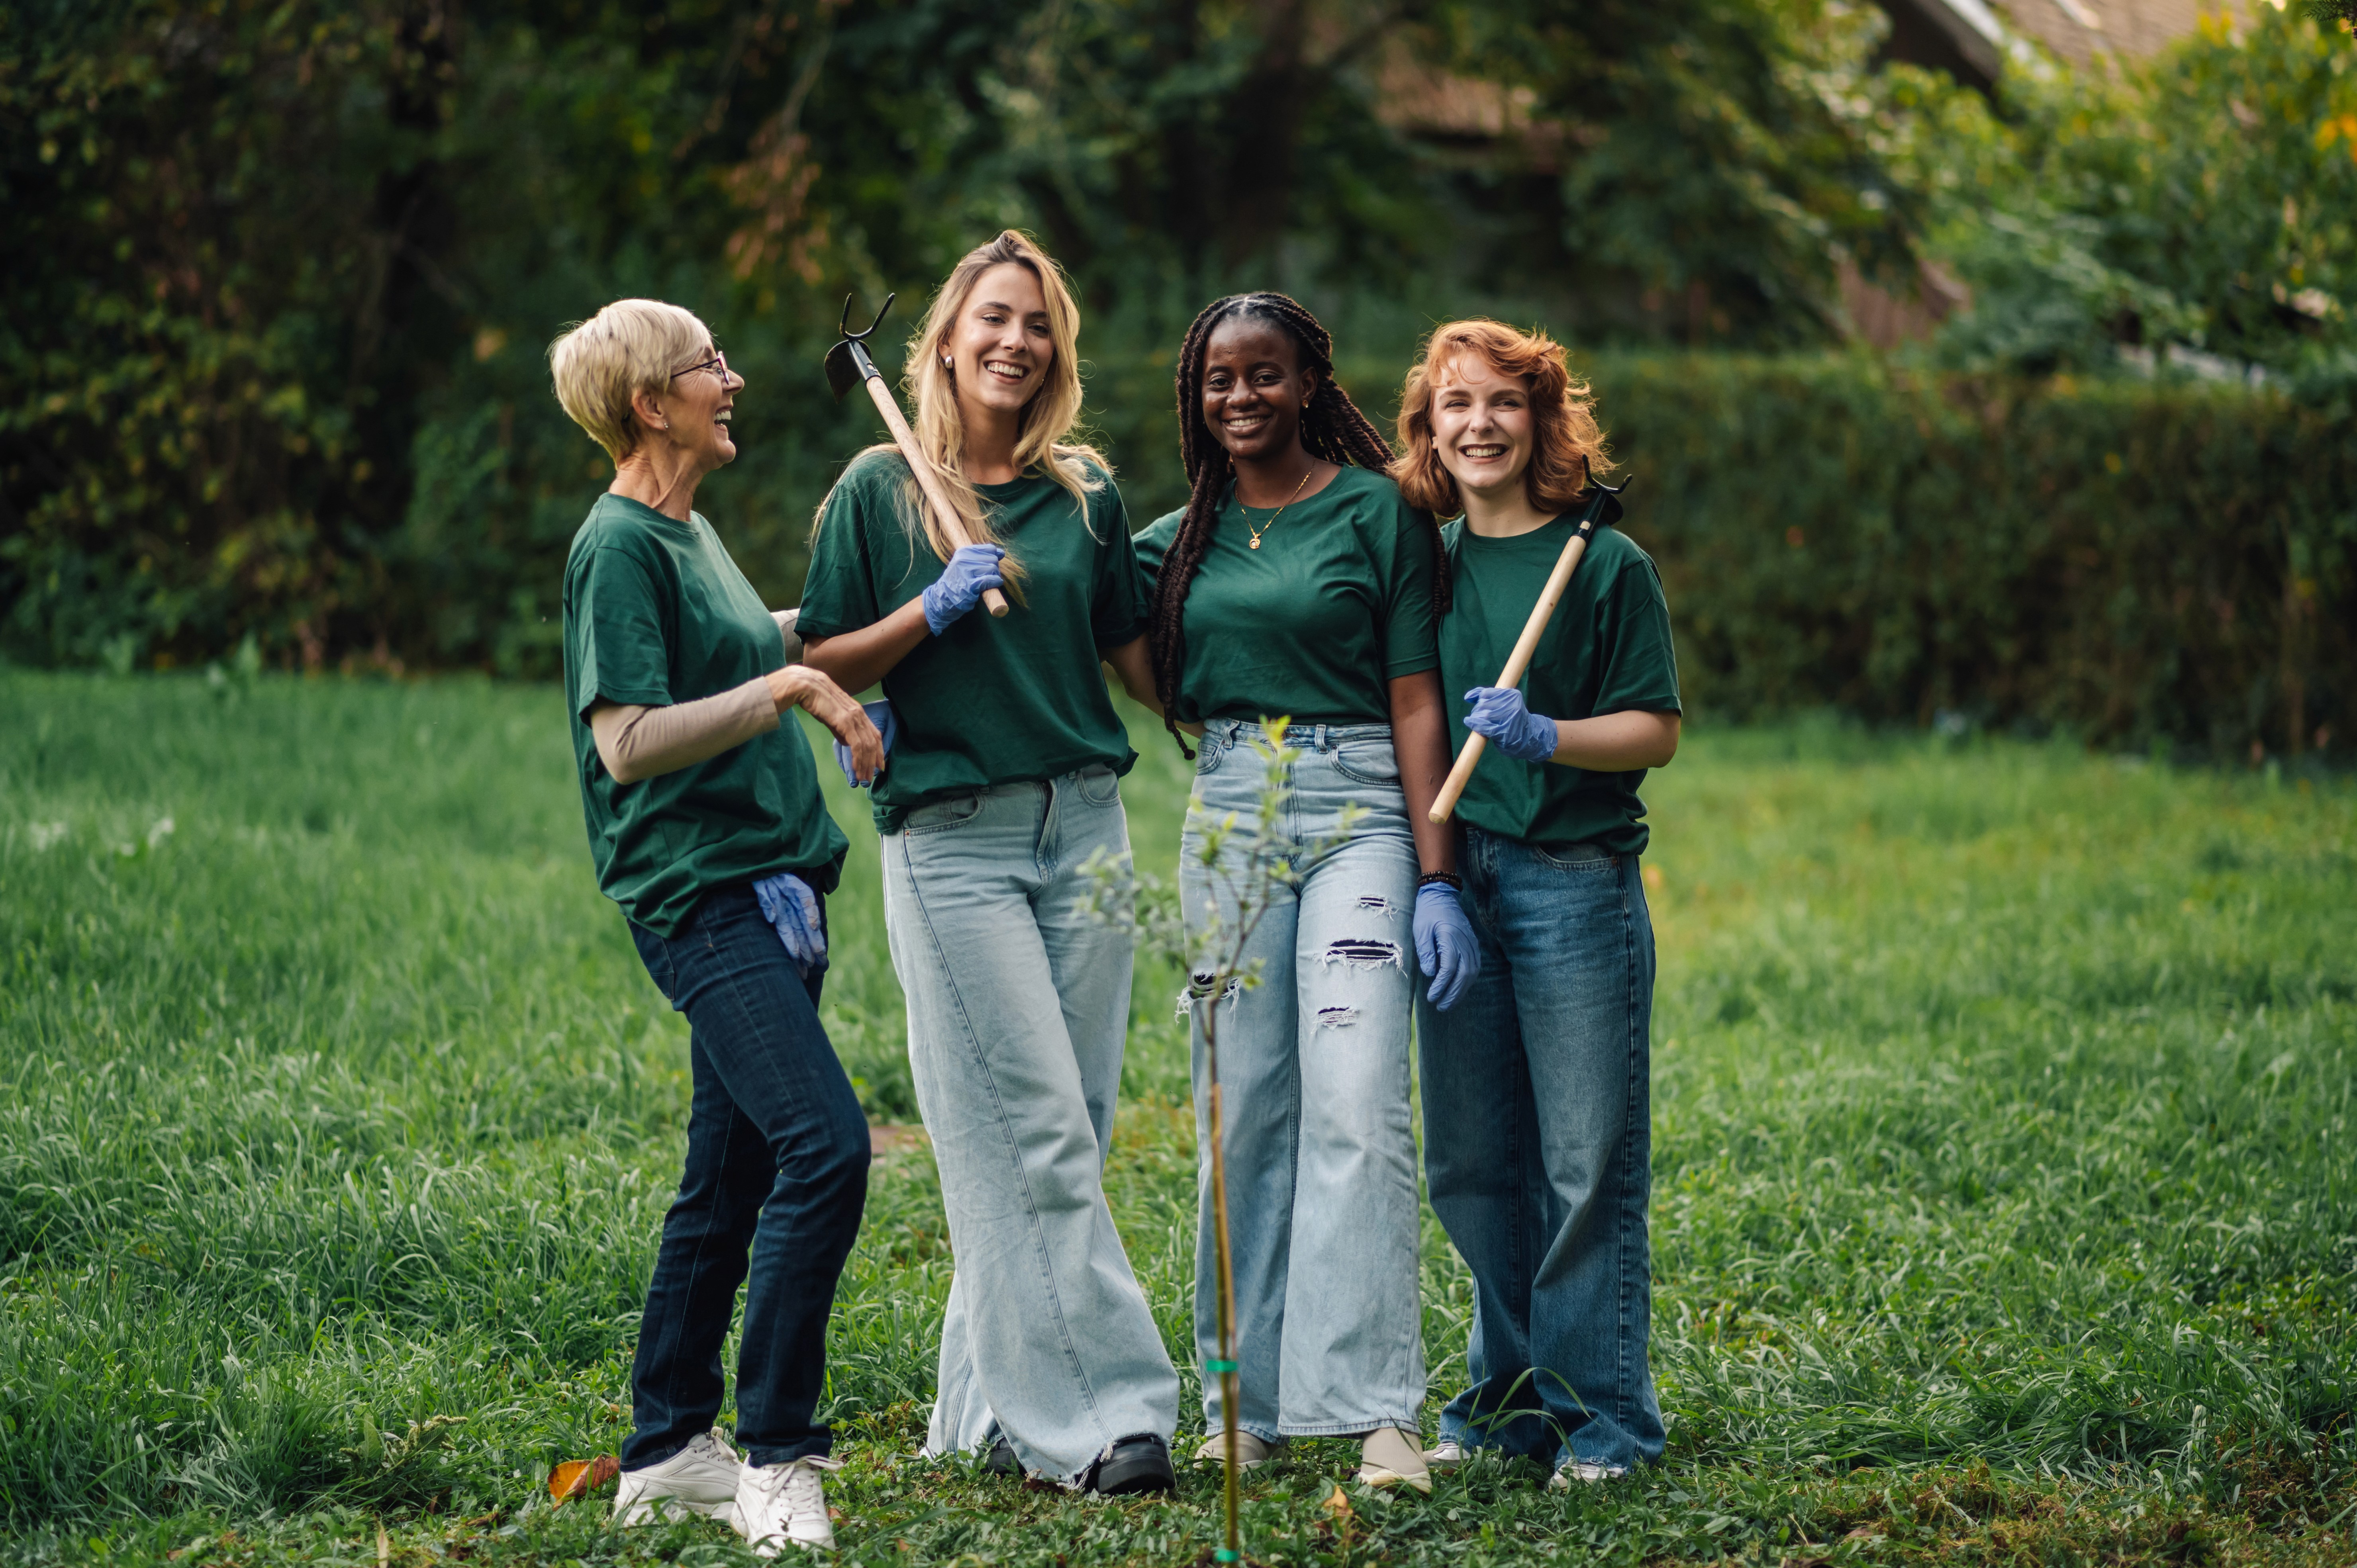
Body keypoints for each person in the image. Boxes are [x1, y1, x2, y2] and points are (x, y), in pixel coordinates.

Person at [794, 230, 1180, 1495]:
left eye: (1039, 326)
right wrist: (928, 613)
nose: (1017, 341)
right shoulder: (878, 490)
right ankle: (1111, 1420)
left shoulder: (1084, 497)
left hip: (1088, 824)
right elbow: (822, 666)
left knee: (1067, 1127)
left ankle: (982, 1414)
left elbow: (1136, 657)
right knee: (1031, 1137)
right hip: (955, 838)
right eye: (995, 319)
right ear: (946, 340)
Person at [551, 298, 884, 1556]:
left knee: (731, 1174)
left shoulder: (691, 533)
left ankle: (666, 1448)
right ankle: (779, 1454)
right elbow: (627, 743)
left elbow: (753, 645)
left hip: (772, 887)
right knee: (828, 1149)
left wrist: (873, 622)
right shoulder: (618, 546)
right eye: (709, 367)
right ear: (652, 402)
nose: (732, 379)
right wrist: (795, 685)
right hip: (701, 893)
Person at [1134, 292, 1480, 1496]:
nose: (1241, 397)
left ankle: (1376, 1408)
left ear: (1308, 380)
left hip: (1360, 814)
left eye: (1265, 374)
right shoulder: (1177, 538)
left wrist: (1436, 869)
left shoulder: (1378, 511)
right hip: (1230, 810)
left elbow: (1418, 698)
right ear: (1197, 392)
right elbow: (1110, 638)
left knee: (1358, 1095)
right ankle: (1246, 1405)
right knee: (1245, 1109)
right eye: (1220, 378)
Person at [1393, 319, 1678, 1486]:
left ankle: (1603, 1420)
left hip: (1573, 883)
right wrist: (1437, 882)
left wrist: (1548, 734)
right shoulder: (1434, 563)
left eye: (1503, 402)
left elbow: (1655, 729)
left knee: (1582, 1161)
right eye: (1456, 404)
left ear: (1542, 419)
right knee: (1471, 1157)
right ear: (1430, 427)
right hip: (1469, 883)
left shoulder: (1605, 562)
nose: (1479, 424)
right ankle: (1506, 1399)